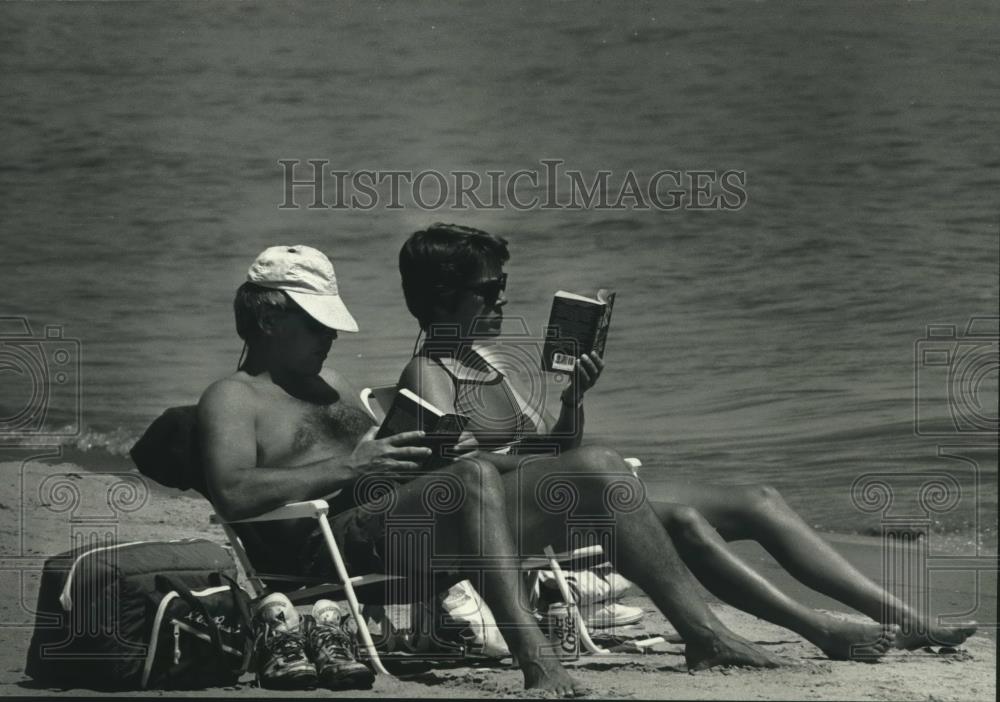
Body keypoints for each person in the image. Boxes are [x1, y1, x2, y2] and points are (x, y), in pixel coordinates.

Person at [199, 244, 785, 698]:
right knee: (473, 476)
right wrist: (352, 464)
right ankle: (536, 658)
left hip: (403, 524)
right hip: (327, 552)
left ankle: (705, 637)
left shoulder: (332, 386)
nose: (330, 335)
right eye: (317, 323)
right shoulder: (233, 397)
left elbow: (381, 463)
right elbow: (231, 493)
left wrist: (413, 453)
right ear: (270, 318)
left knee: (598, 469)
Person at [394, 223, 977, 661]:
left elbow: (546, 453)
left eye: (504, 285)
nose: (502, 297)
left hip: (561, 499)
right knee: (687, 521)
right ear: (445, 297)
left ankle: (903, 616)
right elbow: (448, 483)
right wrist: (539, 462)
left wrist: (573, 398)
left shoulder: (484, 365)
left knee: (759, 499)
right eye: (490, 287)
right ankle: (818, 629)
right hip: (510, 523)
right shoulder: (429, 376)